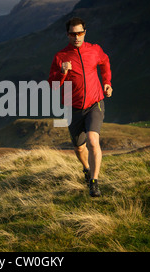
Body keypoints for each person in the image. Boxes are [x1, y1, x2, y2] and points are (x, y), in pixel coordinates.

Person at [48, 17, 112, 197]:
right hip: (72, 107)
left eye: (80, 33)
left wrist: (106, 82)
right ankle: (86, 168)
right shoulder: (60, 57)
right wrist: (62, 73)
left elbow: (105, 62)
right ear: (67, 35)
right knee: (79, 147)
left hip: (95, 103)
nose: (77, 37)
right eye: (73, 34)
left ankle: (94, 182)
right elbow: (52, 85)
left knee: (93, 140)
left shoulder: (94, 50)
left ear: (85, 32)